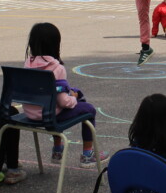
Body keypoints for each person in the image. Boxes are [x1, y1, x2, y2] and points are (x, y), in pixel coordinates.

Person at [24, 22, 106, 168]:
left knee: (53, 104)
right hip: (49, 116)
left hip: (31, 114)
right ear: (55, 44)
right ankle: (87, 154)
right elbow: (63, 102)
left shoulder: (27, 64)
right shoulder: (57, 68)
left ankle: (57, 150)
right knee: (89, 109)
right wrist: (73, 97)